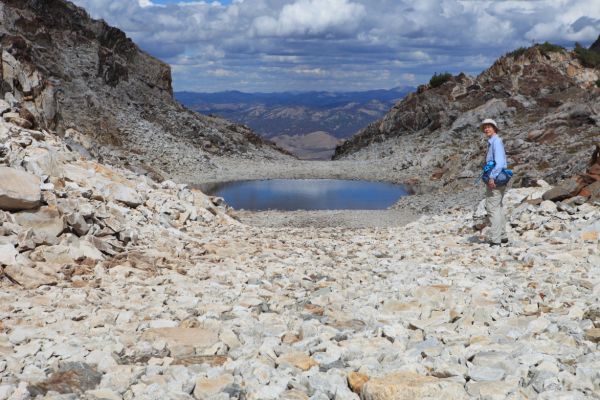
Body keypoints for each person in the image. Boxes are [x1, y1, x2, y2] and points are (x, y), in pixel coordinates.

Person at [481, 118, 508, 247]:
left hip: (495, 179)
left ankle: (496, 240)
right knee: (498, 207)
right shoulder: (493, 142)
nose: (486, 129)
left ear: (495, 128)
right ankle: (503, 236)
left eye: (489, 126)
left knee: (492, 208)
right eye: (485, 127)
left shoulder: (496, 142)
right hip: (499, 179)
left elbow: (500, 162)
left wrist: (492, 177)